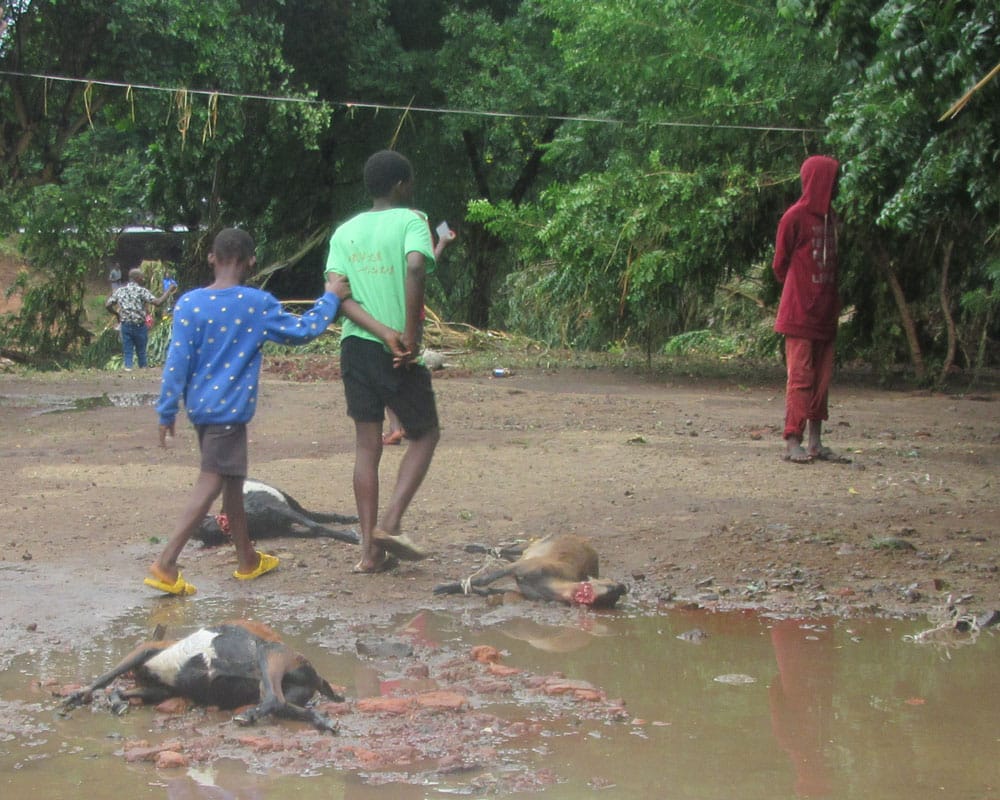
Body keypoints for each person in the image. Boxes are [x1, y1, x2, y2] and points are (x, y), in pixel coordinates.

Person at [145, 227, 350, 595]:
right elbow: (305, 330)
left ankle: (247, 560)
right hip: (229, 412)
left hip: (202, 411)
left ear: (212, 257)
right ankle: (166, 562)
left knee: (232, 485)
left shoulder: (189, 304)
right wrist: (330, 297)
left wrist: (166, 409)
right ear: (251, 260)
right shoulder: (257, 303)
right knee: (212, 480)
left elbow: (177, 361)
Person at [325, 149, 441, 573]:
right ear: (401, 185)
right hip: (399, 353)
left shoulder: (345, 232)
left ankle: (368, 554)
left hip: (356, 346)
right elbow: (415, 267)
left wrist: (379, 331)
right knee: (425, 433)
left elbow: (338, 295)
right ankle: (389, 525)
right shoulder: (412, 220)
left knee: (366, 446)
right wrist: (405, 335)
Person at [772, 155, 846, 464]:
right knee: (800, 378)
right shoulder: (794, 217)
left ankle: (815, 442)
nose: (837, 186)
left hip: (826, 313)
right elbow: (780, 264)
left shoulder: (833, 219)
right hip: (800, 313)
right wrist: (801, 291)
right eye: (833, 179)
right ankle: (793, 440)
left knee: (822, 381)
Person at [383, 223, 456, 446]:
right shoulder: (411, 247)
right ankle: (405, 424)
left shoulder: (390, 249)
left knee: (389, 372)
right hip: (415, 318)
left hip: (393, 316)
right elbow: (423, 267)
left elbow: (420, 267)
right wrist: (442, 243)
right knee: (404, 369)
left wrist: (442, 242)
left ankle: (397, 427)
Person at [105, 267, 176, 371]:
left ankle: (128, 370)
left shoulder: (120, 291)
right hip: (139, 326)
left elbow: (108, 305)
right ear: (137, 278)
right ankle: (143, 371)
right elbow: (158, 302)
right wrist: (169, 290)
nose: (143, 278)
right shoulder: (141, 291)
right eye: (142, 276)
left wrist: (117, 315)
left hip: (125, 325)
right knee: (141, 352)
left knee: (128, 351)